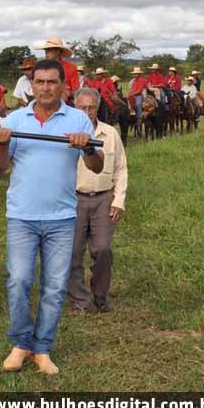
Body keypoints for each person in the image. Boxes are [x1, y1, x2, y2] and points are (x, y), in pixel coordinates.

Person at [0, 59, 104, 375]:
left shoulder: (78, 119)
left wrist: (87, 148)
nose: (45, 87)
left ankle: (42, 349)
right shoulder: (15, 119)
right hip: (22, 217)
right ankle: (21, 343)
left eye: (52, 82)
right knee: (18, 280)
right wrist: (1, 145)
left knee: (54, 288)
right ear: (32, 85)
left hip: (62, 219)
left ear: (63, 86)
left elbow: (96, 165)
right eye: (39, 82)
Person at [68, 88, 128, 314]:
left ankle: (100, 296)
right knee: (73, 251)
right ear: (74, 107)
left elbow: (121, 168)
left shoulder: (110, 134)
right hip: (73, 199)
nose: (87, 112)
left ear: (98, 107)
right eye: (82, 107)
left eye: (91, 107)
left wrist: (118, 200)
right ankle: (79, 300)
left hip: (103, 198)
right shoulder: (66, 134)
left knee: (102, 249)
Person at [36, 38, 79, 103]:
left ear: (57, 51)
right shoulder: (41, 68)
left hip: (66, 103)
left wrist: (67, 94)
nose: (46, 53)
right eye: (46, 50)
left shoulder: (71, 68)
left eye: (49, 50)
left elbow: (76, 90)